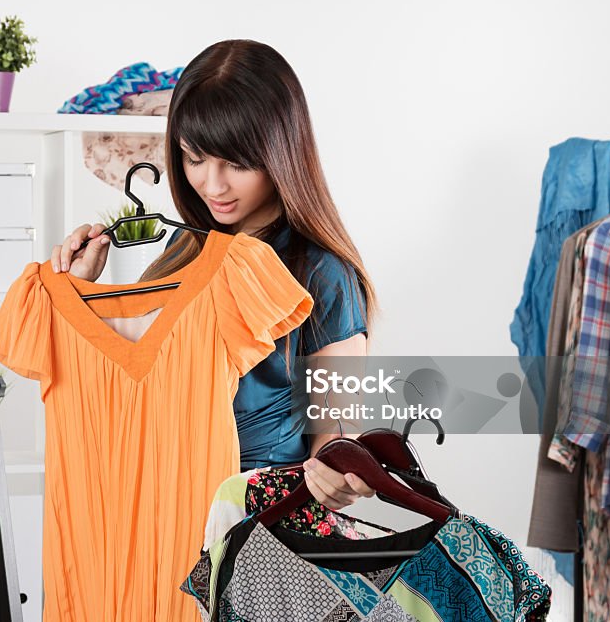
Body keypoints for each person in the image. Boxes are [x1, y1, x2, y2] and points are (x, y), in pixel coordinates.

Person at [51, 39, 376, 511]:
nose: (212, 184)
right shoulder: (184, 249)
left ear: (283, 152)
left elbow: (339, 429)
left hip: (252, 532)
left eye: (237, 163)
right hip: (156, 516)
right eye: (194, 157)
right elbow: (129, 386)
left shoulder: (323, 273)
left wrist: (339, 474)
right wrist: (84, 292)